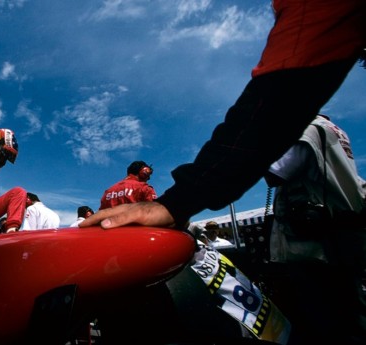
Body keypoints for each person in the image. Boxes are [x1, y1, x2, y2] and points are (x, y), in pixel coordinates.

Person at [80, 1, 366, 342]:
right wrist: (177, 203)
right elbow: (281, 98)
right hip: (329, 243)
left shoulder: (109, 190)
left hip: (118, 260)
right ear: (140, 171)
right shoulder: (329, 130)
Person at [264, 114, 365, 344]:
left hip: (313, 245)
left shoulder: (305, 130)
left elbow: (275, 172)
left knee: (323, 318)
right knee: (352, 309)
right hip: (342, 234)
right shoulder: (334, 129)